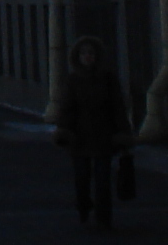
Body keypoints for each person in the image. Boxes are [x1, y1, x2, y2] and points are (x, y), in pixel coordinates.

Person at [54, 36, 132, 228]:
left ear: (97, 56)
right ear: (77, 57)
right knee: (82, 179)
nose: (88, 57)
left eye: (91, 53)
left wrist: (123, 133)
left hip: (104, 136)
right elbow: (67, 108)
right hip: (79, 137)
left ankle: (103, 217)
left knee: (103, 180)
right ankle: (83, 206)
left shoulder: (107, 79)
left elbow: (118, 107)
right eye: (84, 53)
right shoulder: (73, 80)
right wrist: (64, 130)